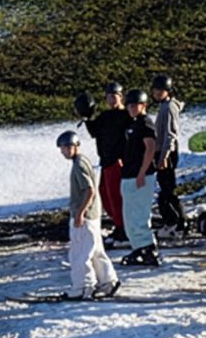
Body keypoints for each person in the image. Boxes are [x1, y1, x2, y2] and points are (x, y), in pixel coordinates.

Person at [60, 130, 119, 299]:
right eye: (62, 148)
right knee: (95, 251)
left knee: (80, 253)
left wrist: (80, 213)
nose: (63, 151)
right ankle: (108, 282)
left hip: (85, 216)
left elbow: (89, 190)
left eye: (66, 147)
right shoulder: (83, 160)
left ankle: (83, 286)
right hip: (93, 215)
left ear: (75, 146)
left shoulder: (79, 164)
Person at [117, 89, 160, 267]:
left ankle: (148, 249)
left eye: (135, 105)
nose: (132, 108)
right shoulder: (134, 123)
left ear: (143, 106)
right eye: (130, 105)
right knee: (130, 215)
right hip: (129, 174)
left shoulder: (145, 123)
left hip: (140, 175)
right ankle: (139, 247)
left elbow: (150, 148)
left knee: (139, 215)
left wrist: (143, 171)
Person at [85, 81, 129, 244]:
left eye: (115, 95)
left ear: (121, 97)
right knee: (106, 195)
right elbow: (94, 132)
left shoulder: (126, 115)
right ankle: (119, 226)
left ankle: (123, 229)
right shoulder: (105, 116)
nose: (111, 99)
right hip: (106, 160)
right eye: (109, 96)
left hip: (118, 161)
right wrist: (87, 117)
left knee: (116, 197)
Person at [148, 74, 185, 229]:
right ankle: (174, 222)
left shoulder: (169, 107)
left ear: (167, 91)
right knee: (166, 190)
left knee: (168, 191)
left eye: (160, 90)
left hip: (167, 153)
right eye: (155, 89)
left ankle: (177, 223)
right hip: (162, 152)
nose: (156, 93)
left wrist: (164, 156)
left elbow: (171, 134)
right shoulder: (164, 106)